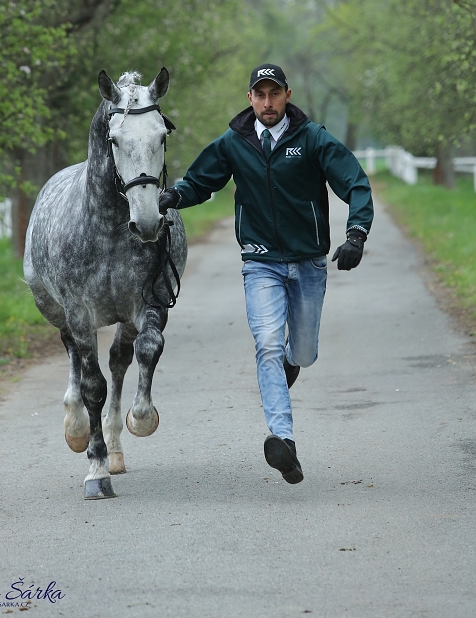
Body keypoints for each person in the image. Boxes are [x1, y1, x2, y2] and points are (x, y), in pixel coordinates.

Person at [159, 63, 374, 484]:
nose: (268, 102)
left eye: (275, 94)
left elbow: (355, 182)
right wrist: (173, 196)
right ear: (250, 98)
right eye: (260, 94)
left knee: (304, 353)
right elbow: (201, 181)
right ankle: (283, 441)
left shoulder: (311, 139)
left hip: (309, 263)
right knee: (268, 345)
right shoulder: (234, 143)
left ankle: (294, 363)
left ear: (287, 96)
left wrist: (357, 233)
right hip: (260, 264)